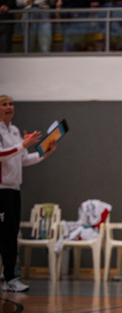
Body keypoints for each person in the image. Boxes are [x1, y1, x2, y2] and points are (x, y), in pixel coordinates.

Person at [0, 94, 56, 292]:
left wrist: (44, 153)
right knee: (5, 235)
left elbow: (22, 159)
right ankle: (8, 278)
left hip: (14, 189)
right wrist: (23, 145)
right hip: (2, 190)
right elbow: (2, 155)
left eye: (11, 104)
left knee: (11, 233)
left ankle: (9, 277)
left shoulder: (14, 130)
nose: (9, 107)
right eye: (4, 104)